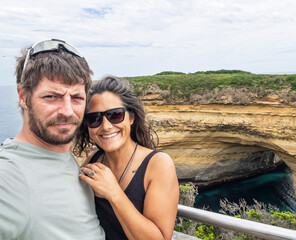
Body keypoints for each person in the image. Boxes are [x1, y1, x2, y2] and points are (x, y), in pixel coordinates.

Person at [0, 39, 105, 240]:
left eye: (76, 98)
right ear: (23, 96)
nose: (67, 111)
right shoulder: (9, 178)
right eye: (51, 97)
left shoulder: (56, 155)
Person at [73, 76, 179, 240]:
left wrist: (113, 193)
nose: (106, 126)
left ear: (131, 117)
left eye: (115, 115)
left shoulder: (158, 165)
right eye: (94, 119)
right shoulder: (93, 160)